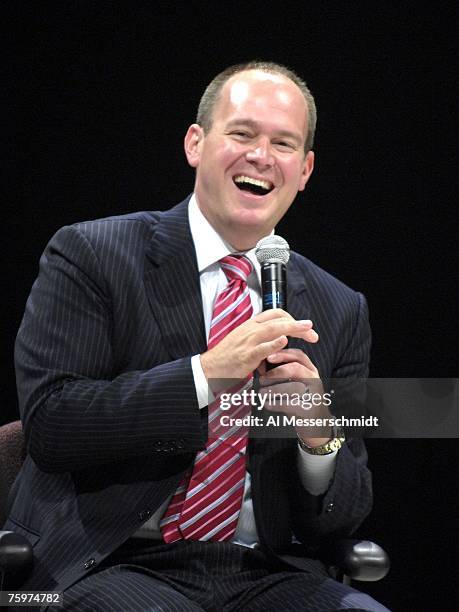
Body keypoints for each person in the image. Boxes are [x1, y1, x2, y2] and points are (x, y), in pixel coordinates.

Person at [5, 61, 389, 611]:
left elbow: (346, 511)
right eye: (242, 133)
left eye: (284, 144)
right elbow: (52, 424)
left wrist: (317, 438)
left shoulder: (340, 307)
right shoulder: (92, 254)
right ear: (195, 143)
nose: (261, 155)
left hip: (266, 573)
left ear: (304, 170)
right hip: (112, 561)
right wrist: (204, 375)